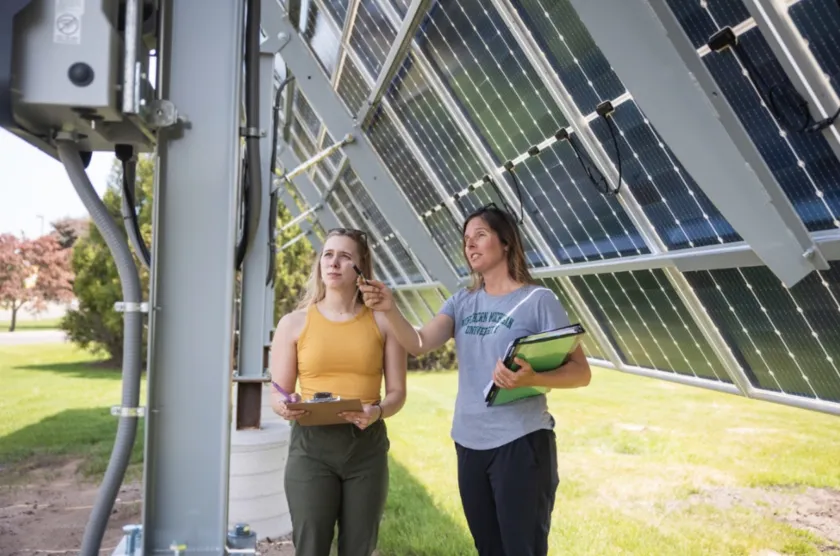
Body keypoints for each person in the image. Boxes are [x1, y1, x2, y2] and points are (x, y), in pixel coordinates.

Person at [359, 204, 592, 556]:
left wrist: (533, 377)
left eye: (480, 235)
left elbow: (581, 372)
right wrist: (388, 307)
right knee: (488, 549)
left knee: (521, 549)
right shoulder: (462, 302)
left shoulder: (538, 301)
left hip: (522, 442)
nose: (470, 245)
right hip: (468, 443)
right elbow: (419, 343)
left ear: (506, 242)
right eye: (466, 239)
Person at [268, 227, 407, 556]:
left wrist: (378, 412)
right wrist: (284, 407)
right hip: (311, 448)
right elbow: (278, 394)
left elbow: (398, 393)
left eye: (345, 256)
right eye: (328, 255)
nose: (333, 263)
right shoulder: (293, 323)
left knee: (359, 548)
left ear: (361, 268)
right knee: (311, 546)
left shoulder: (384, 322)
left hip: (366, 449)